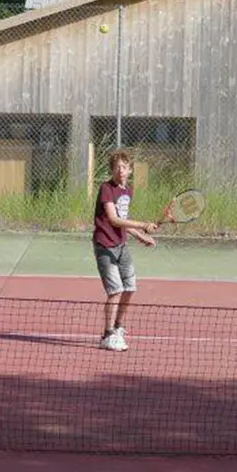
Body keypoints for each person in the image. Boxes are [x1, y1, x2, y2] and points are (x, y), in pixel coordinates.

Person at [93, 148, 158, 351]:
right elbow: (113, 219)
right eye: (117, 167)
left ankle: (119, 327)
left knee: (130, 288)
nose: (120, 170)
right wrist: (143, 225)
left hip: (122, 246)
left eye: (124, 167)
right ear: (112, 170)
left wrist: (141, 236)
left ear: (130, 170)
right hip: (105, 246)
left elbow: (123, 223)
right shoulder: (106, 188)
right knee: (116, 290)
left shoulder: (127, 191)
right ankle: (108, 335)